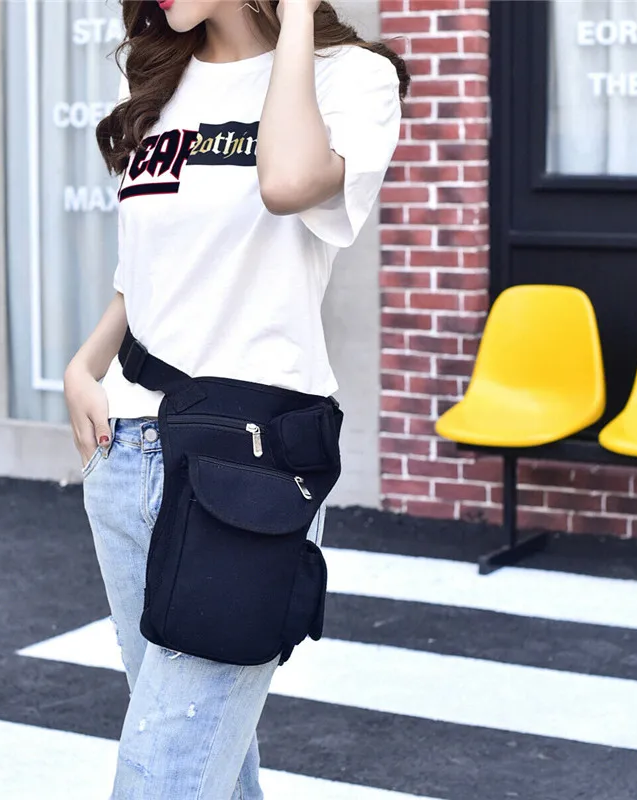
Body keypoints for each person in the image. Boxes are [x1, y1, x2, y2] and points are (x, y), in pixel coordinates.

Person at [63, 0, 409, 797]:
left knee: (163, 771)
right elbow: (147, 272)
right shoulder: (158, 80)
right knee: (206, 755)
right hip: (126, 450)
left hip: (248, 466)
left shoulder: (349, 77)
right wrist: (85, 365)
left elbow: (288, 185)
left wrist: (295, 18)